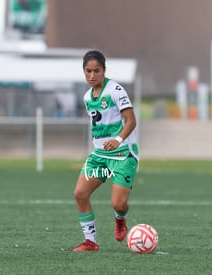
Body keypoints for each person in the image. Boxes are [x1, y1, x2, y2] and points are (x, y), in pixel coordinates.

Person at [72, 50, 139, 251]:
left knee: (118, 204)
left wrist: (118, 140)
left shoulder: (115, 90)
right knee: (80, 194)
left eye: (96, 71)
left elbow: (131, 121)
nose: (92, 75)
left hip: (122, 155)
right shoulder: (86, 97)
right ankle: (91, 242)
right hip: (99, 157)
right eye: (88, 71)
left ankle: (120, 218)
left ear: (104, 70)